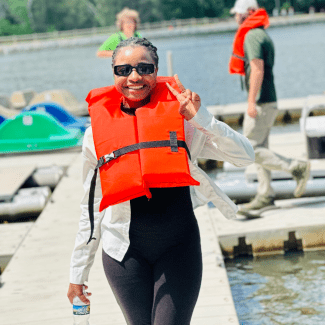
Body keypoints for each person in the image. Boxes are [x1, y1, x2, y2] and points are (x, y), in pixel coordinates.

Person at [68, 37, 255, 324]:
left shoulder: (183, 121)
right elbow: (90, 209)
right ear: (113, 73)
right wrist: (77, 273)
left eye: (145, 68)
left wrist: (201, 118)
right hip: (123, 253)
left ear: (157, 71)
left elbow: (245, 156)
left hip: (178, 248)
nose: (134, 77)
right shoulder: (96, 135)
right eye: (123, 70)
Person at [229, 0, 310, 211]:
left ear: (248, 12)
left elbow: (257, 69)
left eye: (237, 13)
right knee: (260, 148)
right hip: (268, 100)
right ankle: (265, 194)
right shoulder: (261, 33)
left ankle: (295, 167)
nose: (235, 17)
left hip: (262, 102)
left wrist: (251, 102)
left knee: (249, 148)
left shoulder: (252, 35)